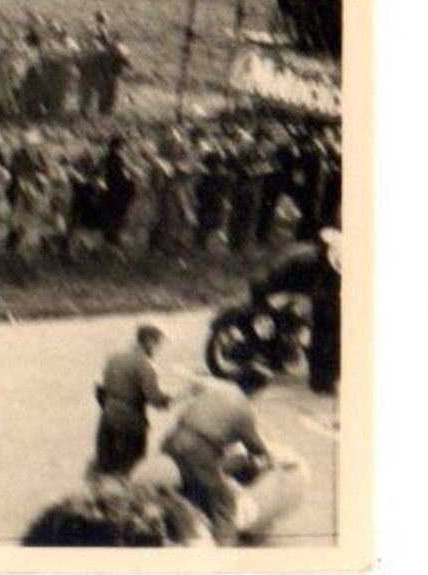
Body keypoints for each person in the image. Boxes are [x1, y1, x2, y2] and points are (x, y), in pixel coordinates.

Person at [161, 371, 272, 545]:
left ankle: (181, 531)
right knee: (224, 503)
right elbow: (254, 445)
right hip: (197, 449)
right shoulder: (244, 408)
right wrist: (268, 457)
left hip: (173, 439)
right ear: (256, 389)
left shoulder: (217, 390)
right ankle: (223, 556)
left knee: (187, 488)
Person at [248, 227, 342, 395]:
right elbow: (308, 290)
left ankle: (276, 355)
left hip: (267, 280)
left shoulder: (309, 253)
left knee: (295, 316)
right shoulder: (311, 262)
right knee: (294, 316)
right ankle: (274, 353)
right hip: (269, 285)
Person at [90, 324, 173, 481]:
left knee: (105, 466)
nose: (158, 349)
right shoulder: (145, 365)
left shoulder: (114, 358)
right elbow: (155, 399)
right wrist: (171, 399)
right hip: (130, 422)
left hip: (107, 417)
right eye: (158, 344)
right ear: (148, 342)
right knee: (131, 469)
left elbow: (104, 387)